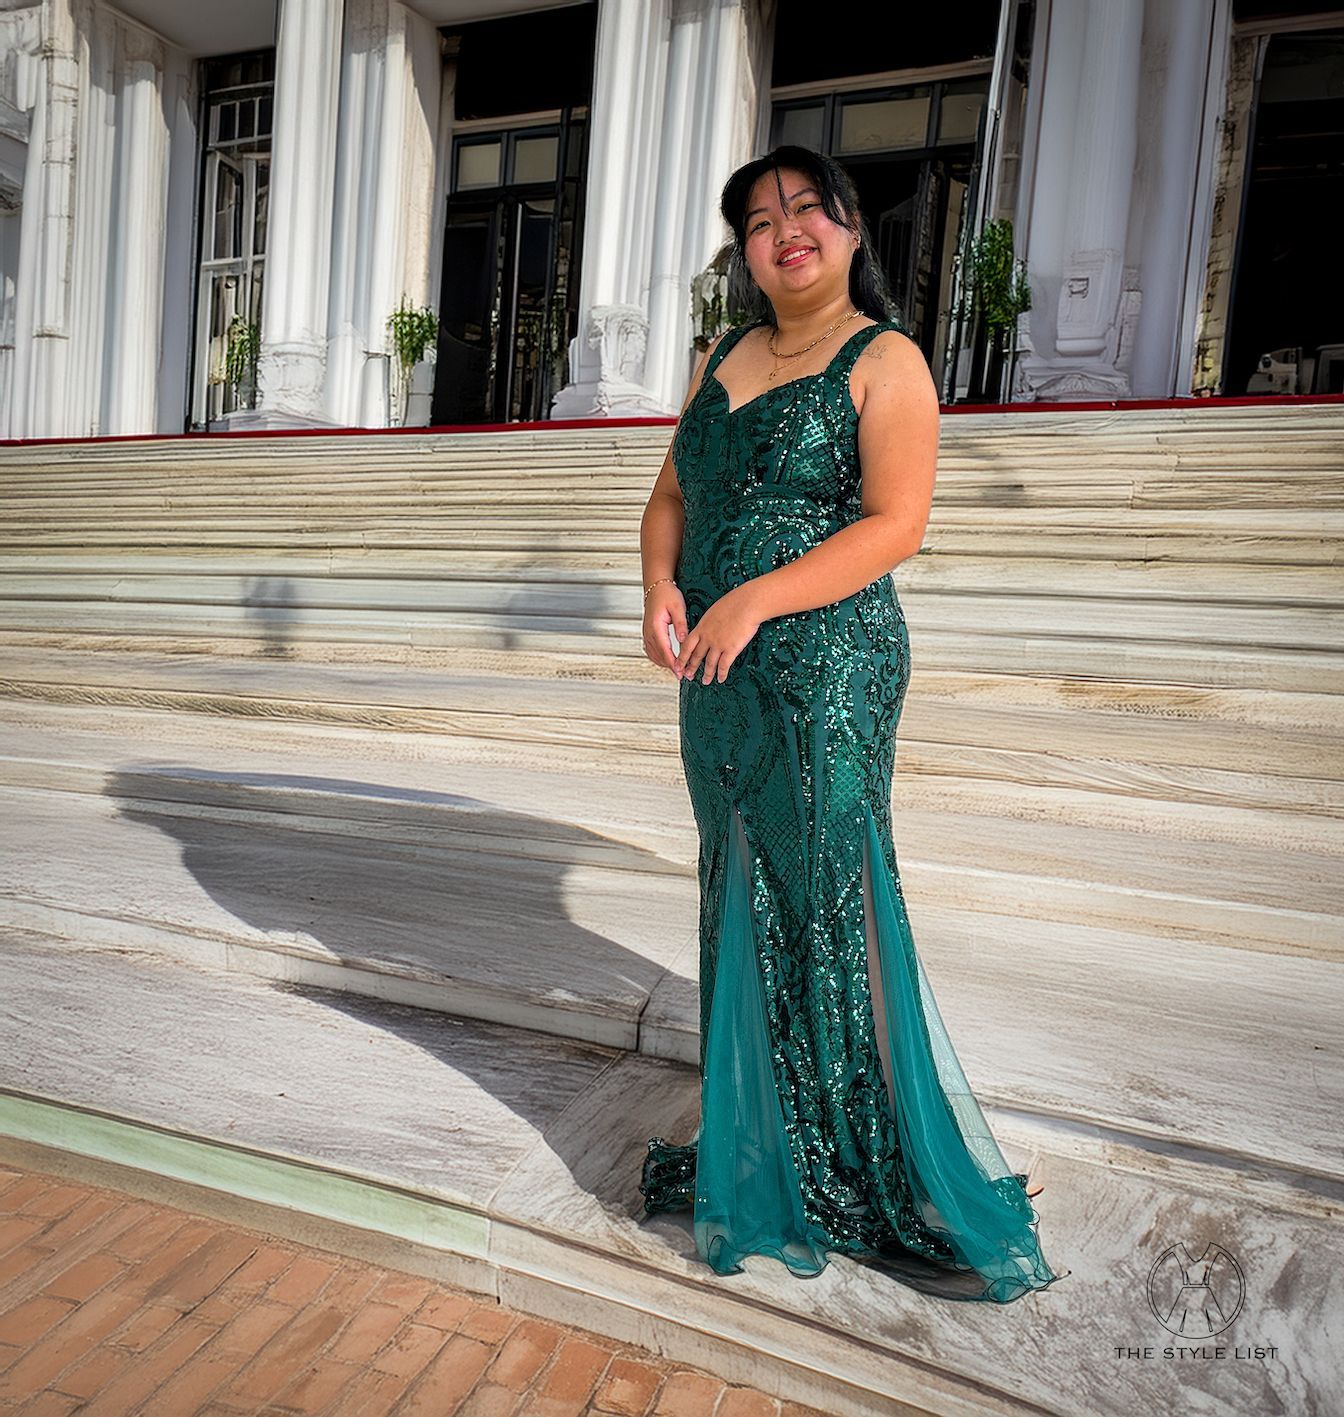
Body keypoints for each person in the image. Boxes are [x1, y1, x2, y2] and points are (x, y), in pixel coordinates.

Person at [635, 145, 1068, 1304]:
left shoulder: (889, 361)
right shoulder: (719, 356)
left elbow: (897, 522)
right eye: (761, 218)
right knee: (742, 879)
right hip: (716, 667)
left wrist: (755, 596)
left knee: (824, 884)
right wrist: (660, 586)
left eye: (807, 210)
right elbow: (672, 492)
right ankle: (769, 1134)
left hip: (829, 663)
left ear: (850, 228)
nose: (787, 231)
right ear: (746, 251)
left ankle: (843, 1150)